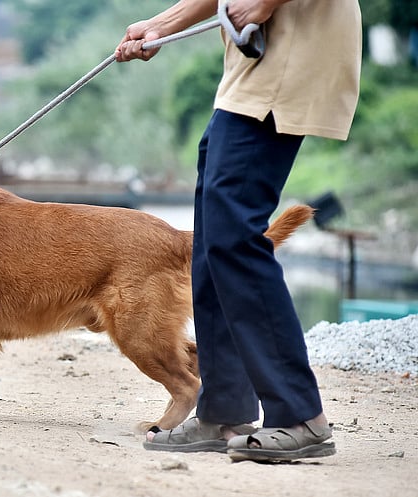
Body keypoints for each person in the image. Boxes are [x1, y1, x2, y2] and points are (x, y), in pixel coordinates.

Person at [115, 0, 361, 462]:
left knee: (234, 236)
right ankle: (223, 409)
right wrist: (159, 25)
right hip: (252, 68)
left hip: (287, 55)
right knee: (211, 239)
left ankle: (299, 417)